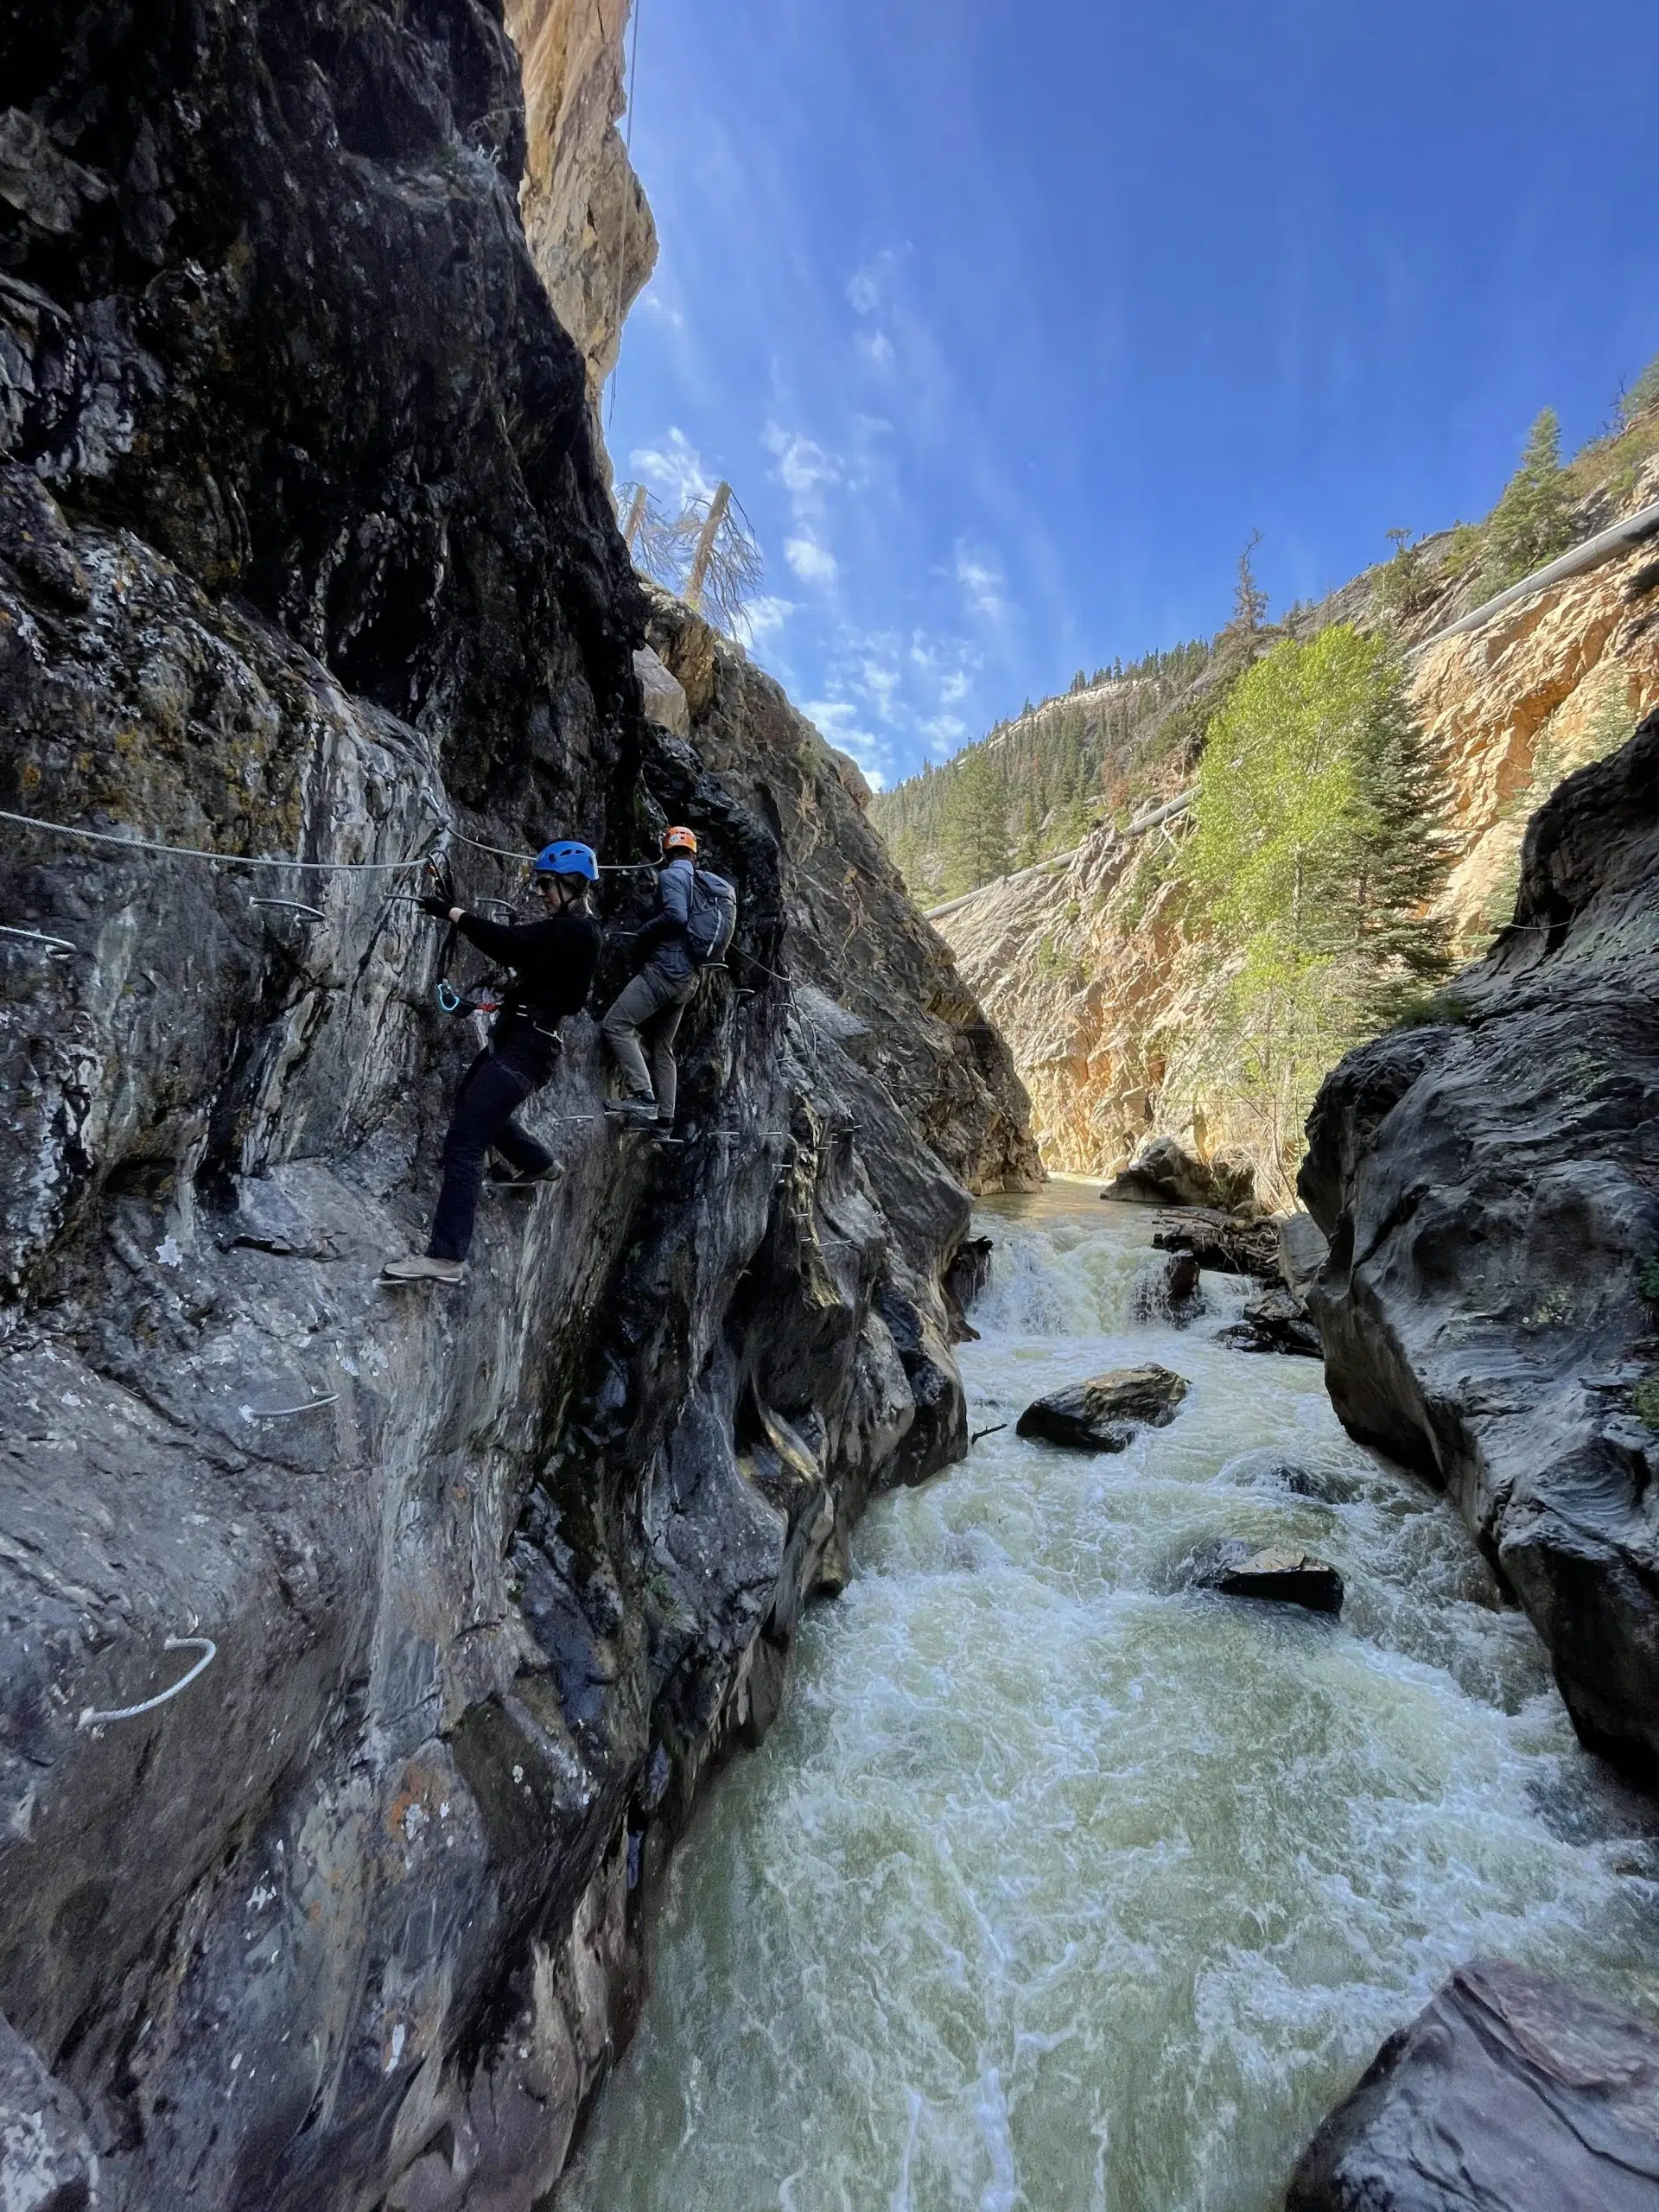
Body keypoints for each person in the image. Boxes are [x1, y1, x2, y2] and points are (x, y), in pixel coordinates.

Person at [381, 841, 601, 1285]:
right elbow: (528, 950)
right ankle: (538, 1164)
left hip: (525, 1049)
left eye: (546, 884)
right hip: (522, 1042)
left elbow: (510, 944)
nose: (541, 891)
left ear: (573, 885)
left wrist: (453, 913)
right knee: (474, 1102)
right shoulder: (573, 931)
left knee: (465, 1143)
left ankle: (446, 1258)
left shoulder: (575, 932)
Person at [601, 824, 706, 1129]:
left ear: (666, 851)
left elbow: (676, 915)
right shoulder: (702, 883)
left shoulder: (672, 876)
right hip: (690, 979)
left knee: (616, 1023)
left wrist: (643, 933)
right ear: (693, 852)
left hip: (665, 970)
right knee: (663, 1046)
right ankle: (665, 1120)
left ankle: (644, 1097)